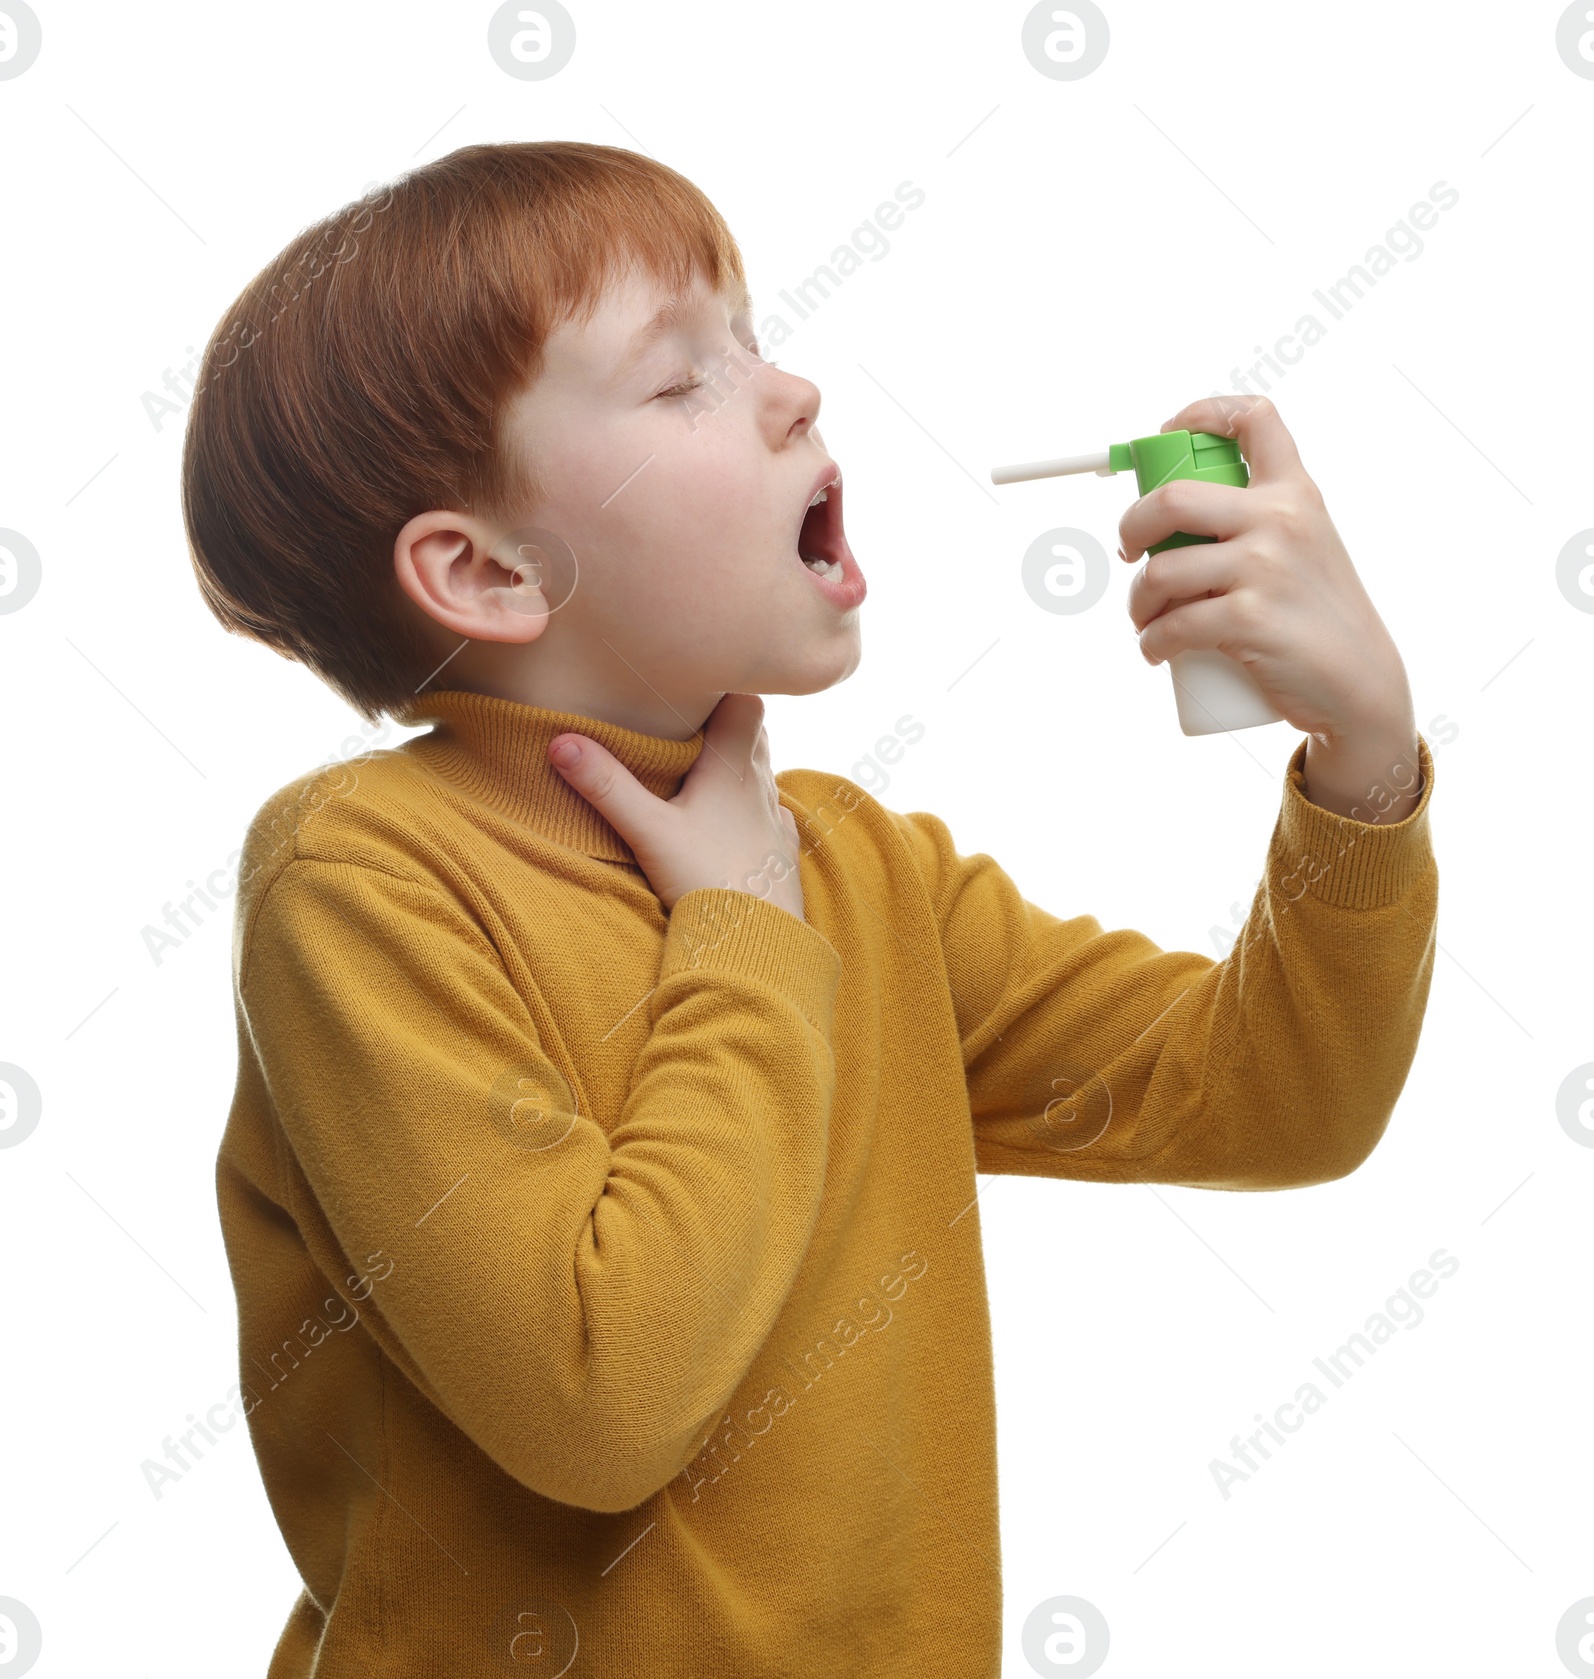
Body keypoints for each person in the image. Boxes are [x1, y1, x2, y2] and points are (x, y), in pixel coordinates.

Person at [183, 140, 1438, 1678]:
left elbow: (1275, 1105)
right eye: (680, 381)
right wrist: (746, 939)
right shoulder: (364, 880)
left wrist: (1363, 759)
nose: (792, 395)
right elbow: (601, 1398)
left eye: (755, 339)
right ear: (491, 571)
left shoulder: (846, 867)